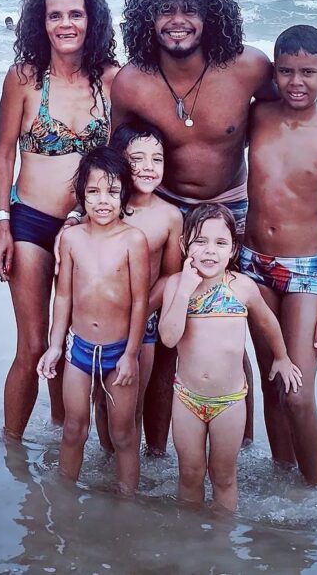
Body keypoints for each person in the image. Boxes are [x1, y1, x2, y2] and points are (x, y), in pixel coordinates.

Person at [111, 0, 317, 455]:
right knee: (166, 342)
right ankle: (159, 457)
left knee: (235, 334)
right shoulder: (131, 83)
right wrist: (100, 212)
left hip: (234, 213)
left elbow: (300, 106)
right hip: (168, 213)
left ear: (212, 16)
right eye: (166, 10)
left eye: (190, 9)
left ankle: (240, 449)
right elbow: (118, 152)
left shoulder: (247, 67)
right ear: (148, 17)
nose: (178, 20)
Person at [0, 0, 119, 439]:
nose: (66, 23)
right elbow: (5, 152)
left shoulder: (112, 81)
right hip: (29, 224)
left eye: (76, 14)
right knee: (32, 345)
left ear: (92, 21)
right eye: (55, 15)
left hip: (91, 230)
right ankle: (12, 451)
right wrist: (2, 224)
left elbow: (133, 151)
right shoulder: (24, 79)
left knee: (86, 342)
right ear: (40, 23)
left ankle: (69, 437)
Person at [242, 25, 317, 485]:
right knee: (273, 383)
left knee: (298, 394)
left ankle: (313, 490)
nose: (296, 82)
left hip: (307, 271)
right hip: (253, 262)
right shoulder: (259, 116)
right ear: (274, 73)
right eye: (287, 71)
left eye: (308, 72)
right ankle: (281, 477)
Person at [159, 204, 302, 511]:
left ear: (233, 249)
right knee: (189, 474)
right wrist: (184, 289)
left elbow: (266, 322)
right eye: (200, 241)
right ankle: (190, 541)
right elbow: (169, 337)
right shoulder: (175, 286)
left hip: (230, 402)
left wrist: (281, 357)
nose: (210, 251)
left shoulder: (242, 288)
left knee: (223, 477)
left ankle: (221, 546)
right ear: (185, 245)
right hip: (186, 399)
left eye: (220, 243)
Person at [37, 147, 149, 494]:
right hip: (79, 351)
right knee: (74, 429)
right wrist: (55, 347)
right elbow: (65, 296)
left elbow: (140, 301)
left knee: (123, 434)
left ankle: (127, 503)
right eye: (94, 192)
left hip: (119, 353)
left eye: (113, 192)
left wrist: (131, 354)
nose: (103, 201)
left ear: (124, 195)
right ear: (80, 195)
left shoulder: (133, 240)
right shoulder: (71, 239)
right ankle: (64, 499)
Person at [94, 120, 183, 453]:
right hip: (101, 318)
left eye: (157, 159)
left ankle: (127, 471)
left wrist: (140, 309)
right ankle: (106, 459)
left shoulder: (169, 216)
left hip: (143, 323)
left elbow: (171, 276)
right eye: (138, 158)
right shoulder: (106, 209)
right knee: (101, 401)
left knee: (131, 402)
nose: (148, 167)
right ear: (119, 161)